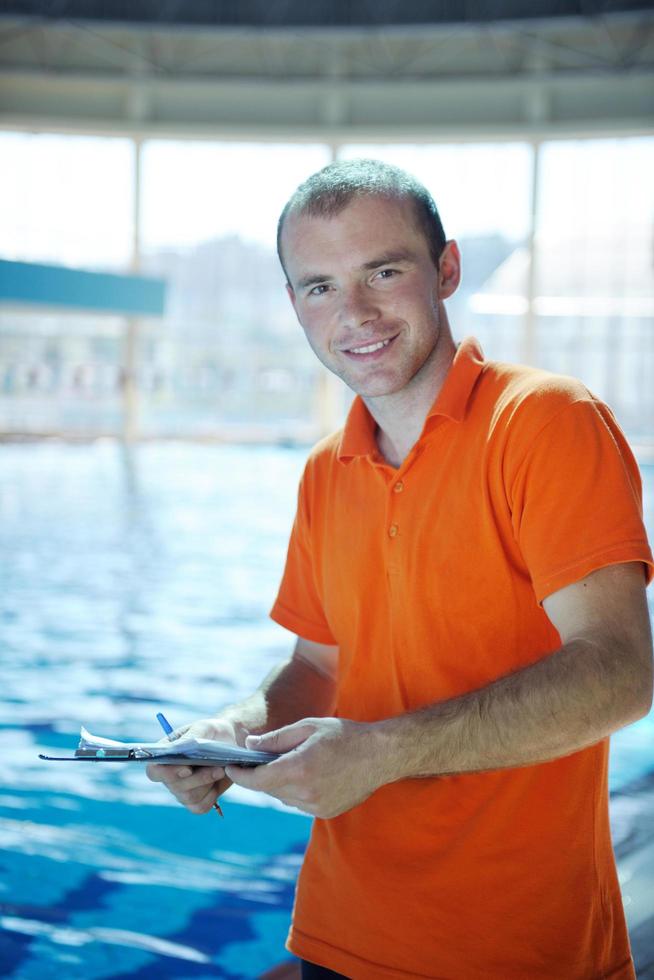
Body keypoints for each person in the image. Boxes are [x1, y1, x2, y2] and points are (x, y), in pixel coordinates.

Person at [147, 159, 654, 980]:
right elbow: (319, 666)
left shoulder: (544, 424)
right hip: (337, 936)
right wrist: (232, 734)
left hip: (519, 950)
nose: (355, 313)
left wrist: (382, 752)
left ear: (446, 270)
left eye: (383, 272)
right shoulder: (325, 470)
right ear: (295, 304)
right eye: (319, 286)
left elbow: (623, 673)